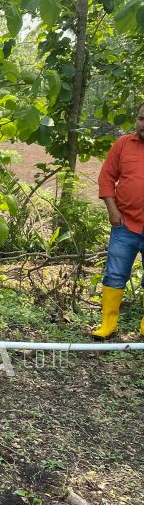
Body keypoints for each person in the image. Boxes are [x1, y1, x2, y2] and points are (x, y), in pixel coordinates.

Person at [93, 102, 144, 340]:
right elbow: (106, 178)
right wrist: (112, 210)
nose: (143, 124)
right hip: (126, 225)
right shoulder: (123, 144)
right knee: (114, 274)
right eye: (141, 118)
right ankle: (109, 325)